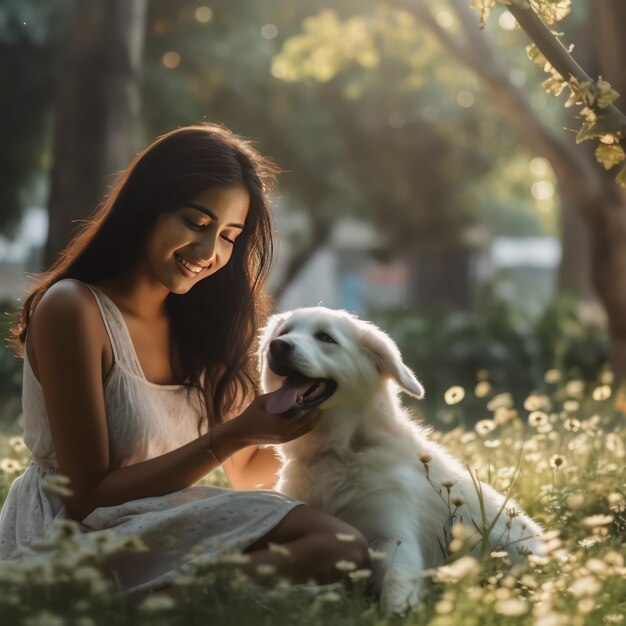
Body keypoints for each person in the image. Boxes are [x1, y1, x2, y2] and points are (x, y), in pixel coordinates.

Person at [0, 123, 370, 595]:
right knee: (335, 547)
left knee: (345, 547)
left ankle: (158, 604)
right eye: (196, 224)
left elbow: (250, 472)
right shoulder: (74, 309)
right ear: (146, 209)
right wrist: (235, 434)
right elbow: (84, 496)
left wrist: (340, 425)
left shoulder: (206, 326)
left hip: (159, 523)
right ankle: (122, 607)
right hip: (73, 536)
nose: (208, 251)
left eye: (229, 236)